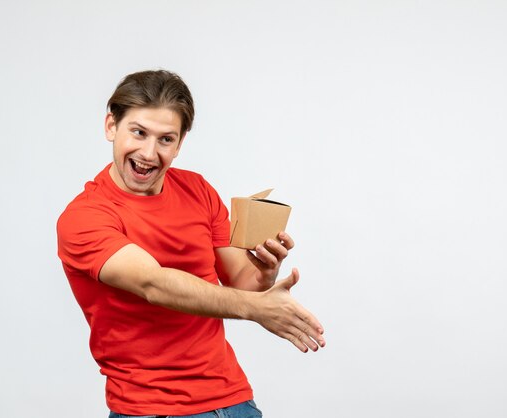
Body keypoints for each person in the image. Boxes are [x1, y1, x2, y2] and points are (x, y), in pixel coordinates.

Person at [56, 69, 325, 418]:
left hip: (234, 400)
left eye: (166, 139)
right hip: (153, 408)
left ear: (180, 143)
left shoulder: (197, 190)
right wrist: (256, 308)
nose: (149, 153)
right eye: (139, 133)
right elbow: (154, 284)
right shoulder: (85, 218)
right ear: (111, 126)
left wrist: (265, 271)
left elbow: (242, 283)